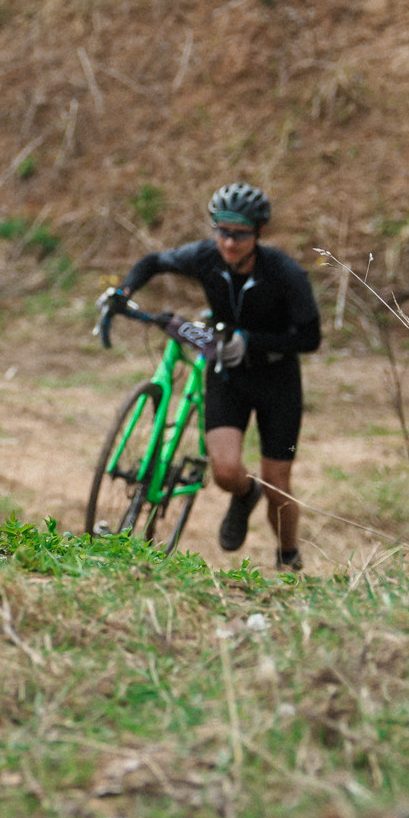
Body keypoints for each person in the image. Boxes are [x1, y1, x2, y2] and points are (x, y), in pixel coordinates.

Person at [100, 182, 319, 570]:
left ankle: (288, 555)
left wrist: (251, 340)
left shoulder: (284, 273)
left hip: (277, 382)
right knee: (225, 472)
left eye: (239, 234)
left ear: (258, 233)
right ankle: (243, 495)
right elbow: (153, 262)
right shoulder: (206, 257)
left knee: (277, 484)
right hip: (227, 375)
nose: (229, 242)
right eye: (221, 230)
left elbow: (310, 336)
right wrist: (124, 290)